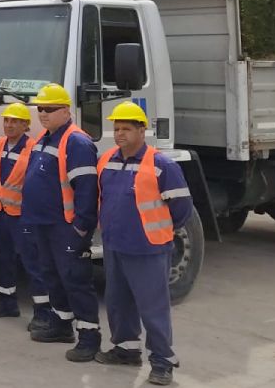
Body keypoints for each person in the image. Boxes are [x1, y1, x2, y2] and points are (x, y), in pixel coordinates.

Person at [95, 102, 193, 386]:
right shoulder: (107, 159)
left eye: (126, 128)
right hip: (115, 245)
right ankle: (126, 350)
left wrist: (160, 231)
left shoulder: (162, 165)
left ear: (142, 131)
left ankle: (162, 362)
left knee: (153, 308)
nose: (119, 134)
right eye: (116, 128)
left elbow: (182, 208)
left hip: (148, 248)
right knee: (118, 302)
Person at [24, 83, 101, 361]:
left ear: (66, 111)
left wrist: (80, 229)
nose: (43, 113)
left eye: (49, 109)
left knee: (76, 281)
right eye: (40, 109)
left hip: (65, 227)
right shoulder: (45, 138)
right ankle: (61, 325)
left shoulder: (76, 142)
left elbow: (87, 191)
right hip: (44, 224)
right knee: (53, 276)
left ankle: (89, 337)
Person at [0, 103, 50, 330]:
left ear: (25, 125)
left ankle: (43, 313)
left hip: (24, 216)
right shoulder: (0, 145)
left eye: (15, 121)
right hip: (3, 212)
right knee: (4, 259)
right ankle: (7, 303)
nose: (9, 125)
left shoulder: (33, 149)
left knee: (33, 264)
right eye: (7, 120)